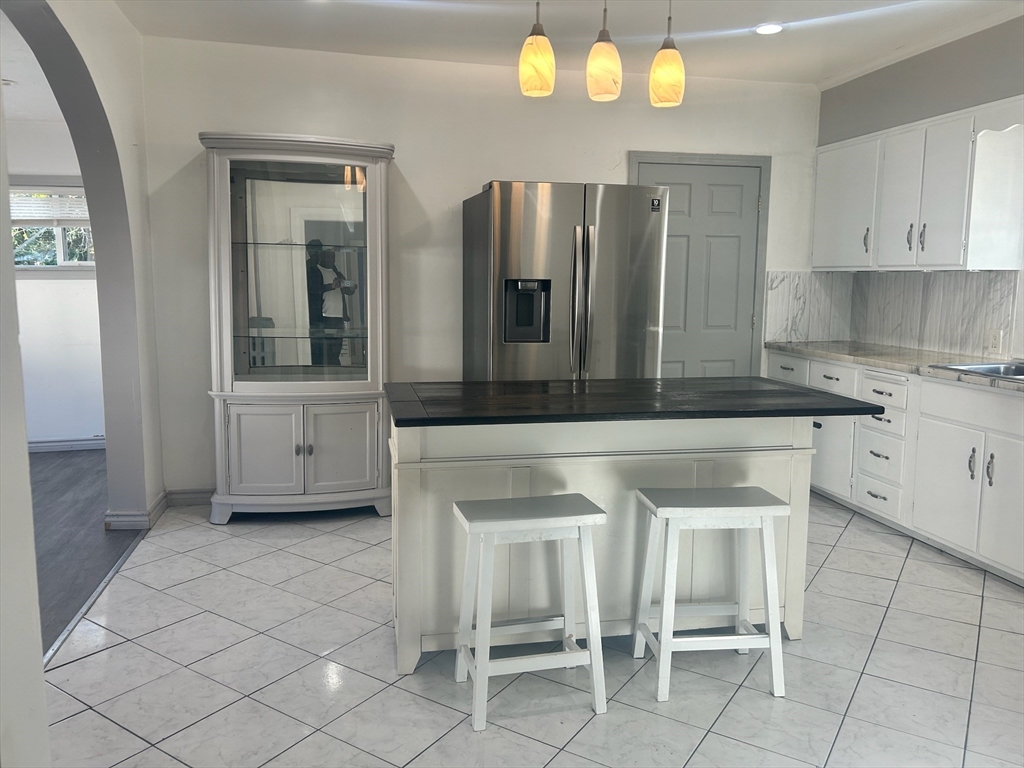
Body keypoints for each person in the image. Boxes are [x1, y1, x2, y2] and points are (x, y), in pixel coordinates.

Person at [305, 239, 356, 366]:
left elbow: (348, 289)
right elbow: (313, 290)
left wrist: (351, 285)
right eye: (328, 257)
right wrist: (331, 286)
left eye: (333, 257)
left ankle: (335, 372)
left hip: (338, 318)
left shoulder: (335, 270)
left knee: (335, 351)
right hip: (323, 318)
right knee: (323, 353)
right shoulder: (311, 268)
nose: (332, 260)